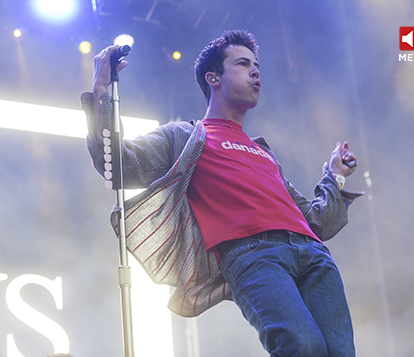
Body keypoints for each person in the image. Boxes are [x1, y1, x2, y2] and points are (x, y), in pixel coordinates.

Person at [81, 29, 362, 356]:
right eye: (243, 64)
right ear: (213, 77)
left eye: (257, 65)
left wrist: (335, 177)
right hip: (255, 255)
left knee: (340, 353)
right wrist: (100, 90)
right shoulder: (187, 136)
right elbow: (116, 163)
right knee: (302, 346)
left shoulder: (263, 153)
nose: (256, 71)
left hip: (314, 256)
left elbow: (318, 223)